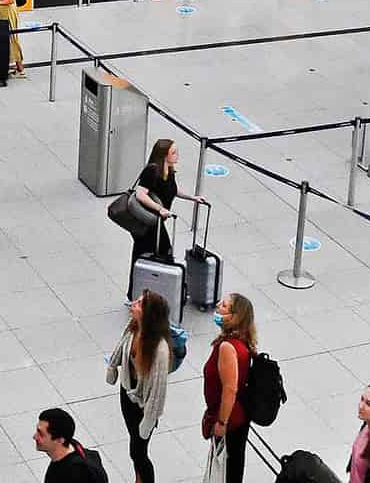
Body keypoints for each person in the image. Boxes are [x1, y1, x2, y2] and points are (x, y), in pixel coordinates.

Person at [107, 290, 171, 483]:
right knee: (135, 447)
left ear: (149, 314)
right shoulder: (133, 328)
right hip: (127, 393)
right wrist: (112, 366)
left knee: (138, 452)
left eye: (140, 303)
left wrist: (148, 421)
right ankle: (139, 479)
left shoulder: (159, 350)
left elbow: (158, 393)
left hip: (144, 405)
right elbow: (121, 346)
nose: (134, 303)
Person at [202, 293, 256, 483]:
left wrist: (221, 422)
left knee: (227, 470)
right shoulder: (242, 342)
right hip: (238, 416)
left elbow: (229, 389)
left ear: (235, 317)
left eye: (224, 306)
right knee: (233, 468)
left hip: (230, 419)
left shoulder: (227, 347)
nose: (218, 306)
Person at [129, 138, 203, 267]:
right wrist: (160, 209)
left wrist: (192, 197)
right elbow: (140, 194)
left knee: (155, 254)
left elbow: (172, 190)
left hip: (156, 221)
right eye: (173, 152)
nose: (177, 155)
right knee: (157, 253)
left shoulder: (169, 170)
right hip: (148, 222)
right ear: (164, 155)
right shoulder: (152, 170)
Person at [33, 408, 107, 483]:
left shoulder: (75, 474)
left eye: (41, 434)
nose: (35, 437)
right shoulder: (74, 446)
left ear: (60, 440)